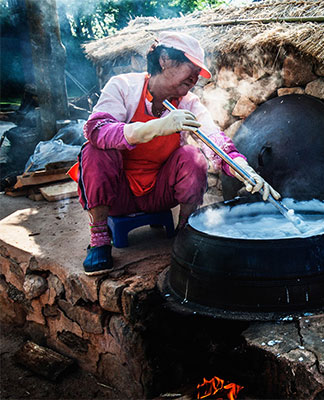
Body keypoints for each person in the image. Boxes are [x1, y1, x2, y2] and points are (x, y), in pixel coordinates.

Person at [72, 31, 279, 276]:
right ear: (165, 60)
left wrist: (243, 168)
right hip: (118, 194)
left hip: (158, 193)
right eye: (190, 69)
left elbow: (214, 142)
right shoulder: (123, 86)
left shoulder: (188, 103)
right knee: (96, 151)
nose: (195, 79)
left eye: (197, 74)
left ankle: (186, 232)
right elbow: (97, 130)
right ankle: (99, 239)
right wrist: (155, 127)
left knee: (192, 157)